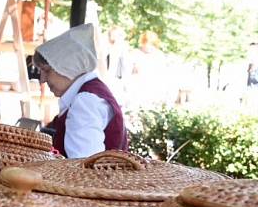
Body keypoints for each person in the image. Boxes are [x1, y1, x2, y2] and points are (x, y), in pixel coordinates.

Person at [34, 23, 127, 158]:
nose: (42, 79)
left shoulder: (86, 102)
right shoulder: (90, 94)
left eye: (47, 71)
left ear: (66, 67)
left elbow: (84, 168)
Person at [127, 29, 167, 111]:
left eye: (151, 44)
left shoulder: (159, 55)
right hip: (136, 91)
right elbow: (127, 73)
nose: (148, 46)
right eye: (146, 42)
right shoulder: (134, 54)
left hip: (154, 90)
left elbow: (162, 75)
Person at [103, 25, 130, 108]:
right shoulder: (105, 47)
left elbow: (126, 66)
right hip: (106, 79)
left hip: (116, 81)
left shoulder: (122, 48)